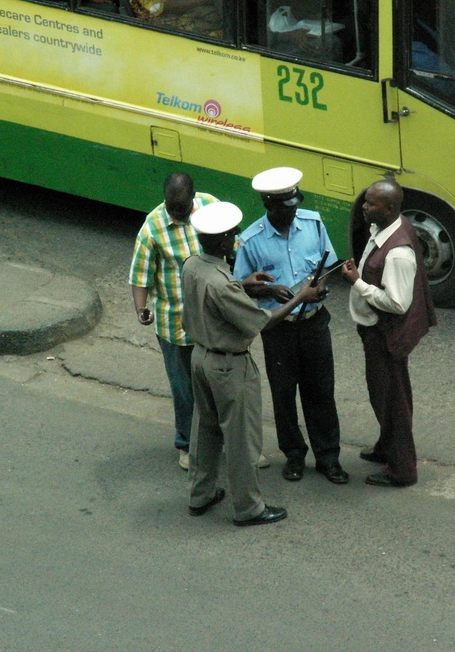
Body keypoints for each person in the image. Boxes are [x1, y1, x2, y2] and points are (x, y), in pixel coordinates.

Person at [182, 201, 322, 526]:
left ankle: (200, 495)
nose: (235, 239)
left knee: (204, 431)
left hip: (200, 358)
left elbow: (218, 294)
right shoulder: (221, 283)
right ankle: (248, 508)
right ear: (221, 241)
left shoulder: (193, 265)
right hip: (228, 367)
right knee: (241, 438)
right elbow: (264, 322)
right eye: (232, 235)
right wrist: (301, 296)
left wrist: (246, 286)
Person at [233, 167, 349, 485]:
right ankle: (294, 454)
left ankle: (329, 458)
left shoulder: (312, 224)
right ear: (269, 205)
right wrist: (270, 290)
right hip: (279, 329)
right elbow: (241, 286)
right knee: (284, 394)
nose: (293, 212)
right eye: (286, 208)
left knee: (322, 392)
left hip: (314, 323)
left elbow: (328, 265)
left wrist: (320, 286)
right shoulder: (251, 240)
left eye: (295, 205)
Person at [341, 180, 437, 487]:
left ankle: (402, 470)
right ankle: (387, 448)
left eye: (371, 204)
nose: (364, 207)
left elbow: (396, 302)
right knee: (385, 394)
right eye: (366, 202)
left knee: (391, 401)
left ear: (391, 209)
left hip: (386, 336)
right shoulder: (393, 226)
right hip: (379, 331)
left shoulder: (397, 254)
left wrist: (358, 282)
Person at [129, 172, 214, 472]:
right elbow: (140, 276)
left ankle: (227, 442)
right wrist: (142, 309)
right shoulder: (153, 227)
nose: (175, 212)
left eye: (181, 207)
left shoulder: (210, 208)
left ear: (193, 199)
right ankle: (186, 445)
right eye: (170, 205)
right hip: (174, 326)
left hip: (214, 322)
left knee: (220, 386)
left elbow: (234, 247)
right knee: (184, 391)